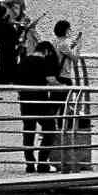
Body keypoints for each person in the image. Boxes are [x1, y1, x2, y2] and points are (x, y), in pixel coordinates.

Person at [15, 40, 61, 173]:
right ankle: (42, 162)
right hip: (40, 102)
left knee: (29, 131)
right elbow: (50, 80)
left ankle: (29, 164)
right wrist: (63, 86)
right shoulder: (44, 62)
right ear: (46, 51)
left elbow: (16, 80)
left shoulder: (23, 61)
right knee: (50, 128)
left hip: (25, 102)